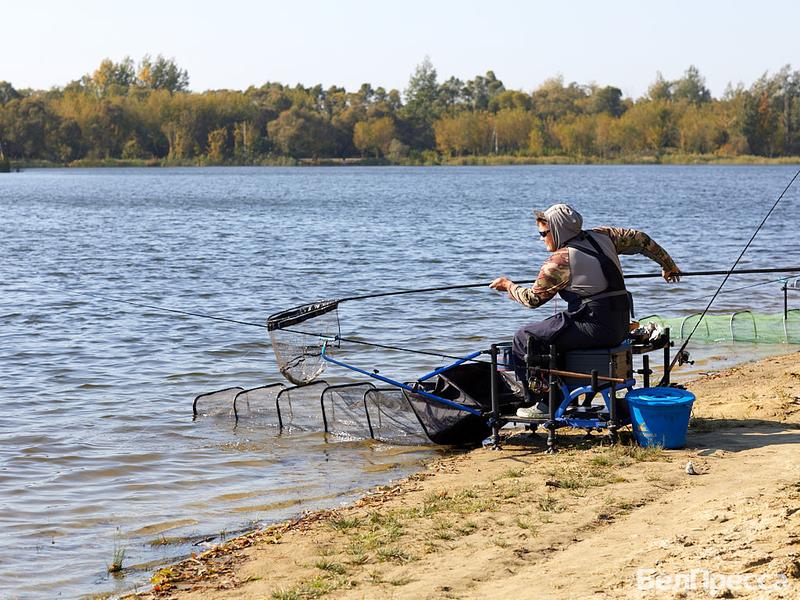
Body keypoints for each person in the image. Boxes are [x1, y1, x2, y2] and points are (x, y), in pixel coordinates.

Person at [489, 203, 681, 417]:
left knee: (524, 337)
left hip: (595, 326)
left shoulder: (559, 261)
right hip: (619, 325)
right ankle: (559, 394)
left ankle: (543, 403)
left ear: (557, 230)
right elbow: (641, 239)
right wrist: (667, 265)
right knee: (552, 330)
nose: (541, 238)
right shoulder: (604, 236)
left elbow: (533, 299)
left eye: (544, 233)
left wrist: (508, 285)